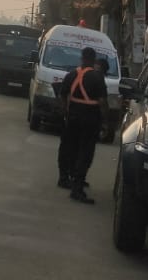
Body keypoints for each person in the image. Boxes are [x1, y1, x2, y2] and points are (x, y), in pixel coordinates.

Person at [53, 46, 108, 204]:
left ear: (82, 58)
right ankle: (77, 188)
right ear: (93, 59)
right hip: (90, 120)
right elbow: (103, 102)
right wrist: (105, 123)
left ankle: (63, 178)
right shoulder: (97, 77)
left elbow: (62, 94)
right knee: (85, 152)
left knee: (68, 147)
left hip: (72, 118)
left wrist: (65, 111)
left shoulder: (72, 74)